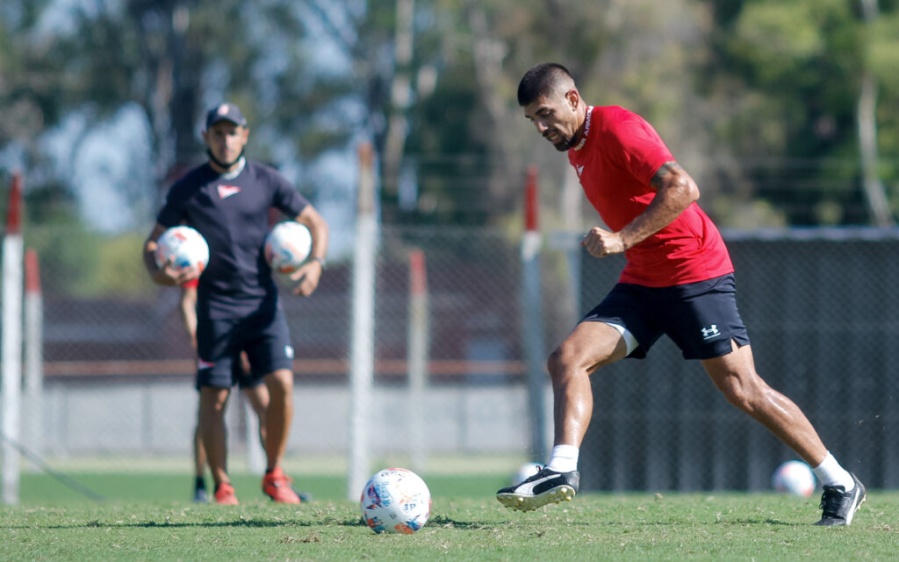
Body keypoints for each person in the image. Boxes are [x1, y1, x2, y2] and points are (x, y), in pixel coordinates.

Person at [497, 63, 866, 527]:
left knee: (743, 389)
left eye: (545, 114)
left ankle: (840, 482)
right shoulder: (578, 147)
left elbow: (683, 187)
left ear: (572, 100)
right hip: (643, 281)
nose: (541, 127)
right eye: (532, 119)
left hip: (695, 274)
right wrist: (630, 246)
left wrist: (622, 239)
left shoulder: (618, 128)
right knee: (566, 359)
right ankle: (562, 469)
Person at [144, 102, 329, 505]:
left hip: (262, 307)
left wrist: (315, 265)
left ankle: (275, 475)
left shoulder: (267, 180)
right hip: (216, 310)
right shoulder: (188, 188)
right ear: (206, 137)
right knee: (214, 398)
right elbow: (152, 245)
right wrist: (161, 274)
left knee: (281, 385)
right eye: (218, 133)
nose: (225, 140)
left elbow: (316, 223)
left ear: (245, 136)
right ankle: (222, 486)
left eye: (232, 132)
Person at [178, 279, 269, 503]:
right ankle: (202, 482)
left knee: (265, 407)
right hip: (216, 342)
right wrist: (198, 340)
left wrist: (251, 342)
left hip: (245, 343)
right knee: (210, 410)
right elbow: (187, 302)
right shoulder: (203, 261)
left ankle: (276, 477)